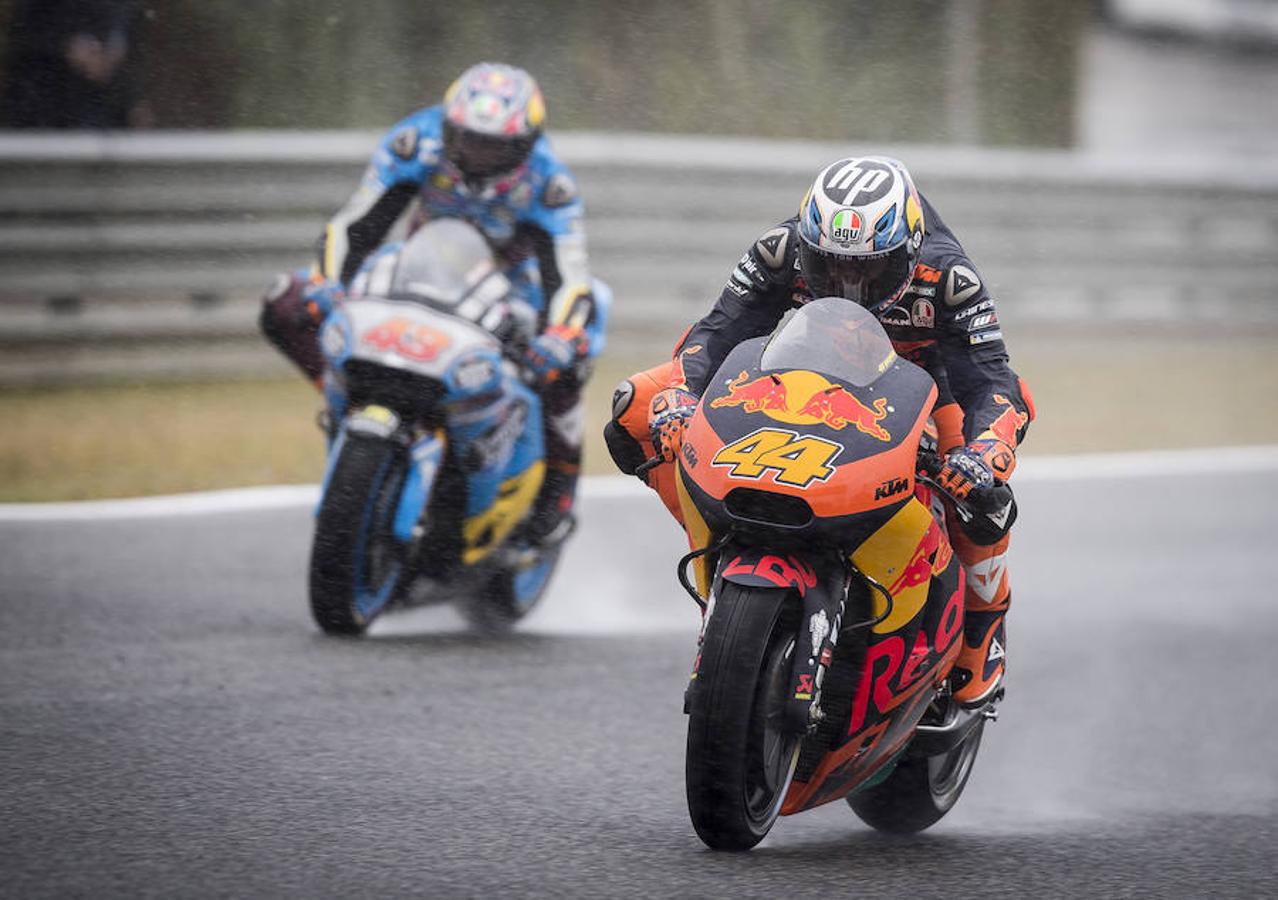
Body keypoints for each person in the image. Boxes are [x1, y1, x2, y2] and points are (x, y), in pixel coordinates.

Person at [605, 156, 1034, 707]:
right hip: (810, 371)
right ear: (808, 242)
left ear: (906, 254)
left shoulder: (950, 279)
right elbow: (719, 331)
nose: (848, 286)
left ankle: (982, 631)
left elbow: (993, 380)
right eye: (828, 268)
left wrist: (986, 450)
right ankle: (718, 544)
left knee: (983, 497)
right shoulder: (779, 250)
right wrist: (680, 393)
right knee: (634, 411)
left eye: (869, 271)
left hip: (926, 393)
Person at [261, 62, 607, 545]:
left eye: (495, 145)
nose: (479, 156)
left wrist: (561, 337)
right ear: (449, 129)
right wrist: (327, 283)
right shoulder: (414, 143)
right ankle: (347, 392)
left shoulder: (550, 186)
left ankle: (559, 492)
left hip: (514, 290)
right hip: (423, 269)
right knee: (286, 302)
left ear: (525, 145)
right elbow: (354, 226)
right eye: (469, 140)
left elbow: (569, 279)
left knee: (568, 360)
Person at [1, 0, 151, 129]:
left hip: (103, 115)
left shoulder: (125, 7)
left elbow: (127, 49)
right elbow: (24, 36)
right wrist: (66, 46)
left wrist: (133, 101)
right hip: (46, 110)